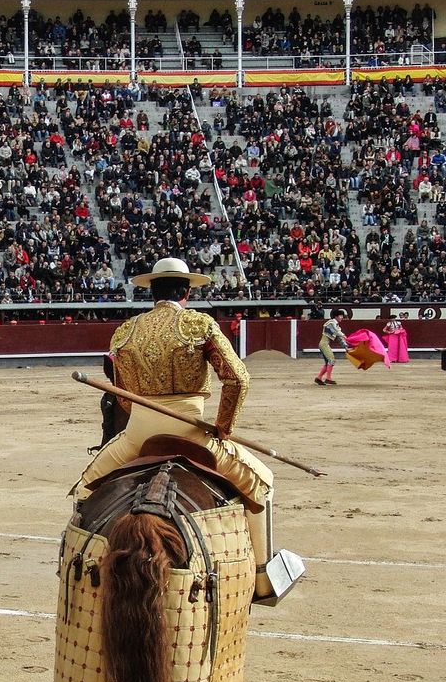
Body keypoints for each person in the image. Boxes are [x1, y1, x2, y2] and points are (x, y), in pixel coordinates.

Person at [73, 257, 286, 602]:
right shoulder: (198, 324)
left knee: (84, 488)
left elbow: (124, 395)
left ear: (151, 292)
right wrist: (223, 427)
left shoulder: (125, 331)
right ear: (187, 292)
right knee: (261, 483)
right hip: (192, 430)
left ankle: (77, 567)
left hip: (139, 433)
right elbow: (237, 379)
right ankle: (262, 580)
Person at [316, 308, 350, 385]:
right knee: (331, 360)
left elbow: (339, 338)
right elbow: (336, 332)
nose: (342, 317)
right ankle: (328, 378)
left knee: (328, 362)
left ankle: (319, 378)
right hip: (324, 344)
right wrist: (344, 335)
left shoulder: (336, 326)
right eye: (340, 315)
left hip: (324, 344)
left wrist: (346, 347)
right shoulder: (331, 323)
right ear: (336, 316)